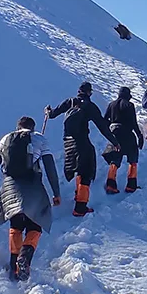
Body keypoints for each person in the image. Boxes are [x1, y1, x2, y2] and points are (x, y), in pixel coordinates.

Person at [0, 116, 61, 281]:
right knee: (36, 223)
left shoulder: (6, 138)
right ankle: (25, 258)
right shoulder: (39, 138)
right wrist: (56, 192)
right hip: (32, 185)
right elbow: (50, 167)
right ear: (32, 128)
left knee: (16, 224)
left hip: (9, 187)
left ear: (18, 127)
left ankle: (14, 266)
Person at [46, 81, 117, 217]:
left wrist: (48, 111)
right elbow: (103, 127)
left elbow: (52, 114)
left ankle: (78, 196)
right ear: (89, 93)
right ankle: (80, 207)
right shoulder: (90, 106)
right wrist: (115, 142)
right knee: (86, 171)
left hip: (68, 143)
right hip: (82, 142)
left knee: (78, 167)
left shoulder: (70, 102)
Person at [102, 86, 145, 194]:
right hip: (127, 133)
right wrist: (139, 135)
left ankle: (110, 184)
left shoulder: (111, 104)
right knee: (133, 158)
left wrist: (109, 133)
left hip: (114, 134)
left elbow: (105, 120)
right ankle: (131, 185)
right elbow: (133, 122)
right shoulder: (129, 105)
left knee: (115, 159)